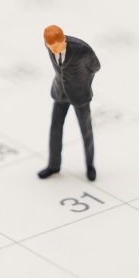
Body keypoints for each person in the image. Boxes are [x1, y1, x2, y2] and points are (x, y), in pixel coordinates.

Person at [38, 24, 100, 181]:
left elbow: (95, 66)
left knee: (86, 131)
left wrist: (84, 85)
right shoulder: (49, 45)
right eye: (50, 47)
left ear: (63, 39)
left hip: (80, 96)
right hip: (60, 93)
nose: (53, 50)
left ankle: (90, 166)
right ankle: (53, 165)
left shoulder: (81, 49)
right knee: (55, 129)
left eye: (56, 47)